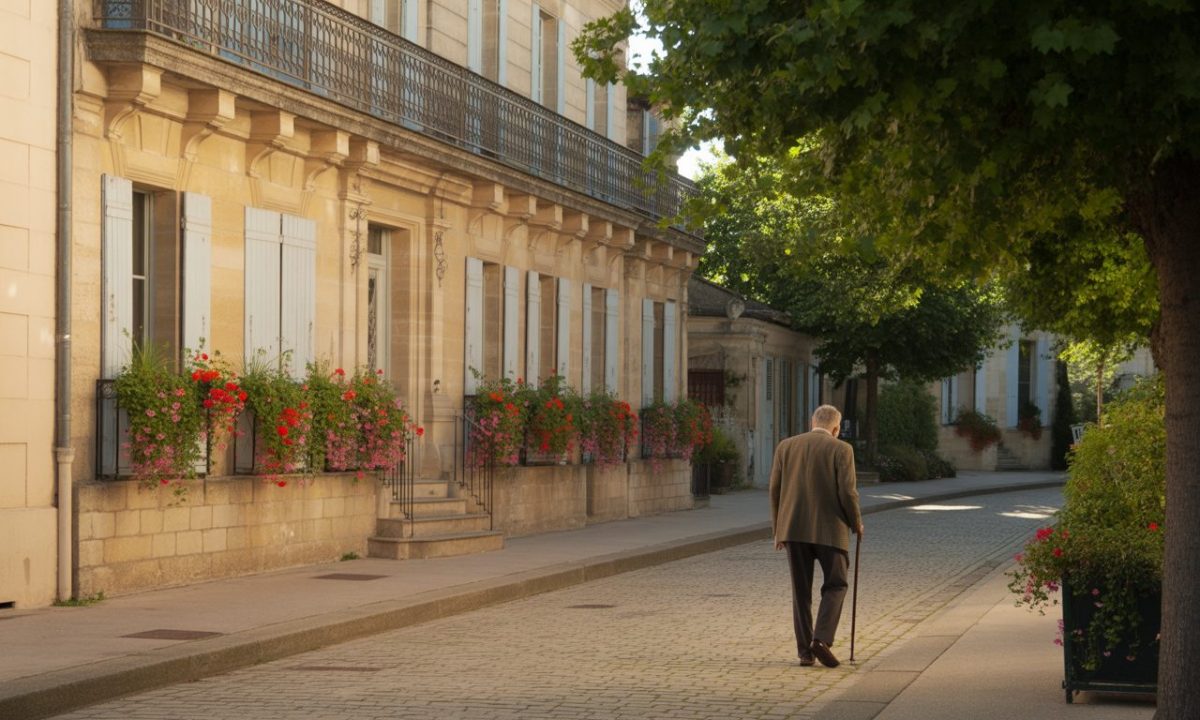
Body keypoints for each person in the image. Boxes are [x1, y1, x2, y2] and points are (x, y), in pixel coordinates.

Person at [769, 404, 864, 668]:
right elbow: (848, 492)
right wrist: (856, 523)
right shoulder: (842, 449)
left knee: (801, 591)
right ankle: (821, 640)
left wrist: (778, 529)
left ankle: (805, 653)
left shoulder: (786, 447)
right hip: (830, 530)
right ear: (836, 428)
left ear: (813, 422)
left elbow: (775, 490)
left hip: (793, 529)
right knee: (836, 584)